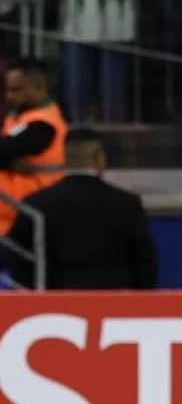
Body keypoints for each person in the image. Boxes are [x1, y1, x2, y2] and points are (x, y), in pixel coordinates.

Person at [4, 128, 157, 289]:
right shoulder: (126, 203)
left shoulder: (37, 203)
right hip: (114, 299)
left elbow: (14, 253)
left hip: (55, 302)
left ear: (65, 159)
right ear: (100, 158)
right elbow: (144, 260)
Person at [0, 57, 68, 235]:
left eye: (16, 90)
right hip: (10, 208)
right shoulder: (17, 115)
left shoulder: (44, 125)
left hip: (27, 207)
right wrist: (9, 162)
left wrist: (6, 159)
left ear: (39, 87)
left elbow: (6, 150)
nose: (9, 96)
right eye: (7, 90)